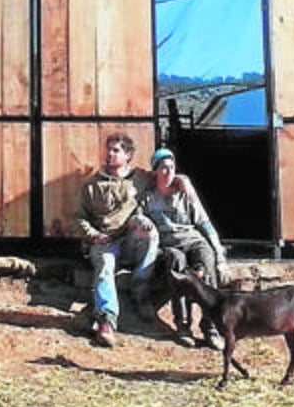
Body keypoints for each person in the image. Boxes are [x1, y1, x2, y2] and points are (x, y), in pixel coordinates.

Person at [74, 132, 160, 348]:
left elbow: (165, 175)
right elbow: (79, 217)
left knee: (150, 233)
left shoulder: (140, 178)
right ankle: (106, 320)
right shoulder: (92, 185)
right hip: (105, 242)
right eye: (108, 150)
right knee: (104, 268)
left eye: (116, 150)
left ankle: (140, 293)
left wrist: (182, 180)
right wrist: (93, 235)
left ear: (128, 154)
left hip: (130, 238)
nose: (110, 154)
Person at [142, 147, 229, 350]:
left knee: (206, 263)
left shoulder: (184, 193)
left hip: (193, 239)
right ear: (155, 171)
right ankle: (183, 326)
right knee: (176, 264)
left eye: (172, 168)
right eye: (163, 168)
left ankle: (211, 327)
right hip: (168, 244)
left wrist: (220, 257)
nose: (169, 172)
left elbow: (205, 224)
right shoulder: (147, 197)